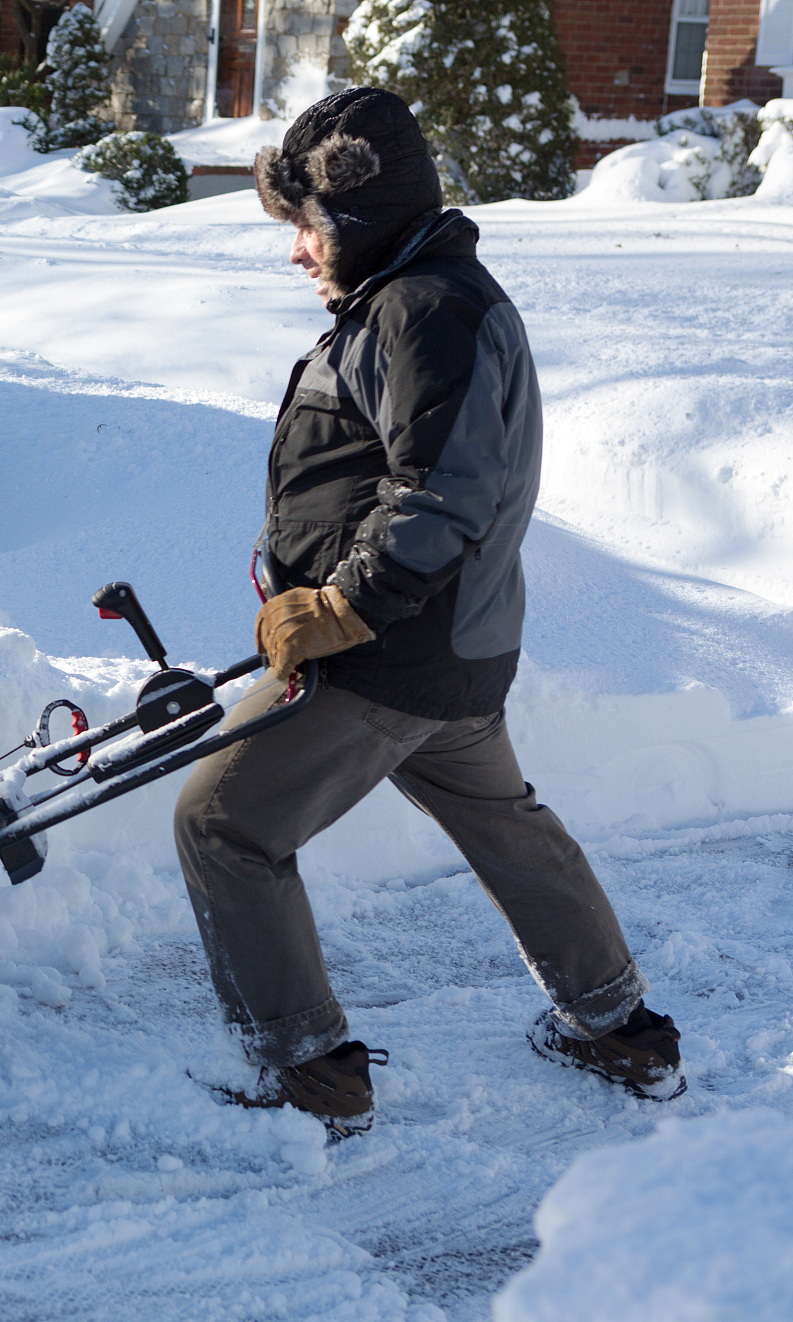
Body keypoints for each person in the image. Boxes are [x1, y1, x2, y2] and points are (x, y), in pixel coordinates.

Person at [173, 88, 684, 1137]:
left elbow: (441, 490)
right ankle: (614, 1023)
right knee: (506, 825)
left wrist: (340, 608)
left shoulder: (421, 310)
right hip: (453, 647)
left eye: (305, 228)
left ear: (353, 220)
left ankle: (304, 1068)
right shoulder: (421, 298)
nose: (296, 253)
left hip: (383, 657)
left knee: (222, 821)